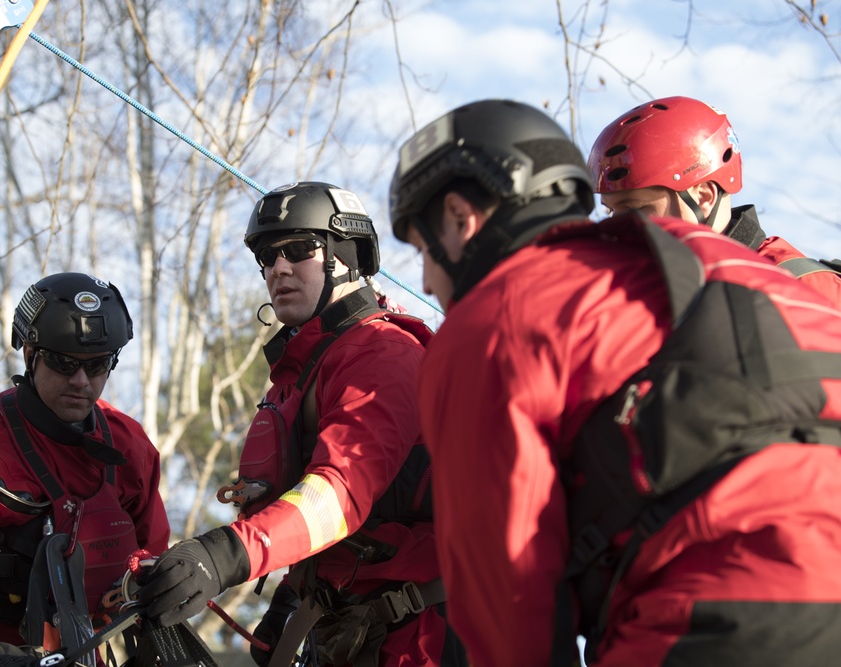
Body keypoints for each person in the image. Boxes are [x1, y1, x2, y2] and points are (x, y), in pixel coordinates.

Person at [389, 98, 841, 666]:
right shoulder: (755, 278)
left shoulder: (497, 316)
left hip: (714, 617)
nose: (427, 281)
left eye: (425, 251)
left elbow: (508, 599)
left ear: (461, 218)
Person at [134, 182, 466, 667]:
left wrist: (224, 555)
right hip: (353, 628)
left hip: (430, 636)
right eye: (267, 257)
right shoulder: (301, 372)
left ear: (345, 255)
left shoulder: (384, 354)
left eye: (296, 250)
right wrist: (293, 597)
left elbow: (339, 496)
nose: (277, 269)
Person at [0, 273, 170, 666]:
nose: (81, 381)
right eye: (63, 363)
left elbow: (149, 565)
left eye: (96, 365)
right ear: (30, 354)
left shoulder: (130, 447)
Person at [589, 95, 841, 306]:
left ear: (704, 197)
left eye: (635, 209)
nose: (618, 228)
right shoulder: (637, 295)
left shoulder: (807, 293)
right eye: (611, 212)